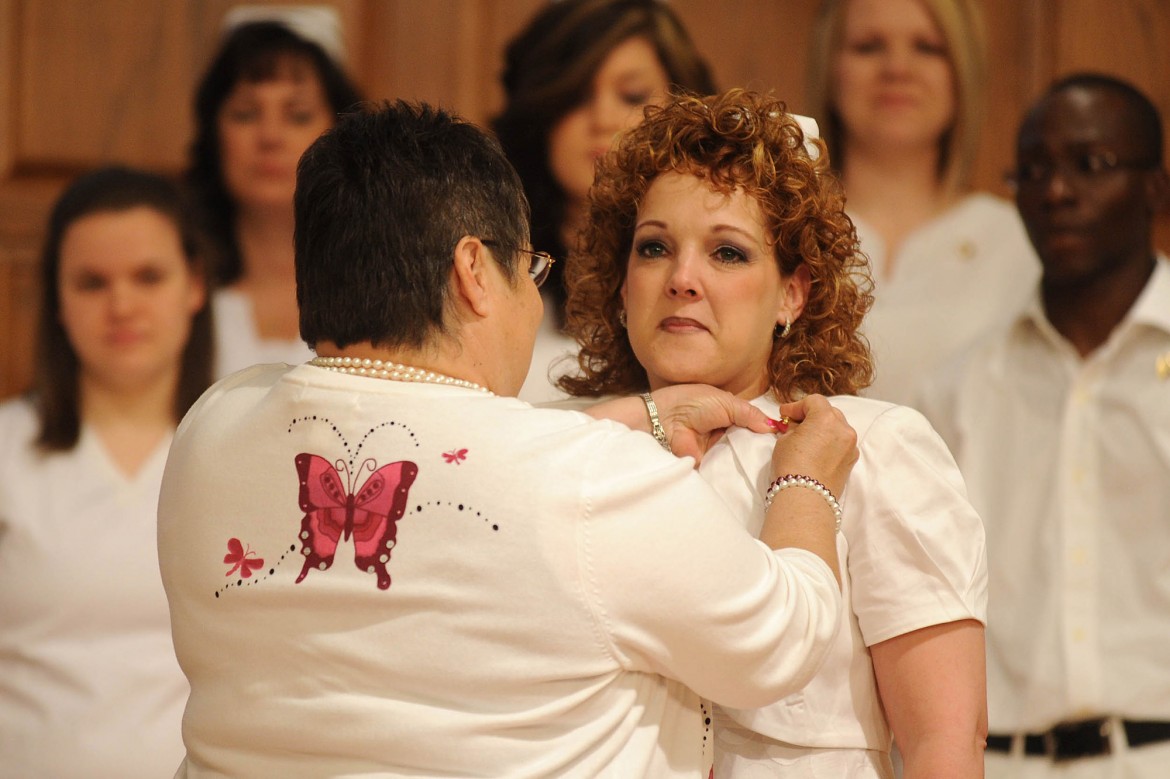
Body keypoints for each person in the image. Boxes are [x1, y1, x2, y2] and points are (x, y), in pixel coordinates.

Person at [157, 99, 862, 777]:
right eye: (528, 269)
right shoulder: (588, 480)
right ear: (473, 273)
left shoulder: (212, 426)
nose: (532, 301)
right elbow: (781, 638)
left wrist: (634, 418)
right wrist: (808, 479)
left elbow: (439, 454)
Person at [560, 88, 988, 778]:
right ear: (620, 283)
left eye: (727, 253)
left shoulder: (877, 446)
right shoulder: (575, 454)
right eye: (654, 248)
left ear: (793, 292)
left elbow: (947, 741)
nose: (682, 278)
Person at [919, 73, 1170, 777]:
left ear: (1155, 188)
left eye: (1090, 165)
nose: (1056, 192)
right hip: (1004, 761)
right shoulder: (956, 390)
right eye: (1033, 171)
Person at [0, 167, 212, 778]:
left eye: (148, 277)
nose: (121, 305)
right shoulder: (10, 451)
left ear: (194, 285)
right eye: (92, 283)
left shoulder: (248, 455)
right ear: (58, 302)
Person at [806, 0, 1038, 406]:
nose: (897, 68)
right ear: (831, 67)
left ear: (963, 70)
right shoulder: (782, 228)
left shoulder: (1020, 245)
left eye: (927, 47)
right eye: (869, 46)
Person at [493, 0, 716, 402]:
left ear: (685, 108)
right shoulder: (491, 265)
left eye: (631, 95)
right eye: (575, 97)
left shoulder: (711, 272)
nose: (603, 118)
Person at [186, 18, 363, 378]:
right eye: (246, 114)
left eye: (297, 116)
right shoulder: (177, 287)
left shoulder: (378, 288)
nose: (270, 137)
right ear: (214, 135)